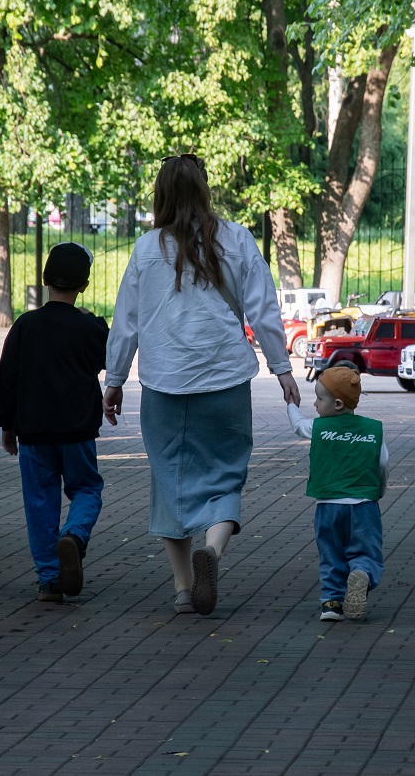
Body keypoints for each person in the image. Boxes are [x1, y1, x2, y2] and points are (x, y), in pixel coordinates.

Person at [103, 153, 300, 616]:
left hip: (164, 384)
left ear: (162, 194)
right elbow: (263, 310)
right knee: (225, 473)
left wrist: (113, 380)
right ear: (205, 190)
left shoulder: (147, 248)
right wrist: (282, 368)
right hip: (225, 379)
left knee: (169, 480)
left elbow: (126, 322)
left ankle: (183, 588)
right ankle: (212, 551)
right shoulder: (237, 239)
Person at [0, 242, 108, 605]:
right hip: (77, 430)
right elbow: (105, 358)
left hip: (33, 430)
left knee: (40, 501)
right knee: (87, 489)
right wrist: (98, 326)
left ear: (45, 281)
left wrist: (7, 425)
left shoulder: (26, 325)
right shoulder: (88, 327)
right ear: (84, 286)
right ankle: (73, 535)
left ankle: (49, 579)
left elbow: (6, 378)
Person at [286, 367, 388, 622]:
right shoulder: (373, 429)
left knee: (331, 554)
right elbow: (382, 464)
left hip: (328, 506)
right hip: (364, 505)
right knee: (366, 551)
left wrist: (291, 405)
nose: (315, 403)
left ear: (338, 404)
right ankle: (362, 573)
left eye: (320, 399)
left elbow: (298, 426)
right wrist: (379, 491)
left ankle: (331, 603)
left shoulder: (319, 427)